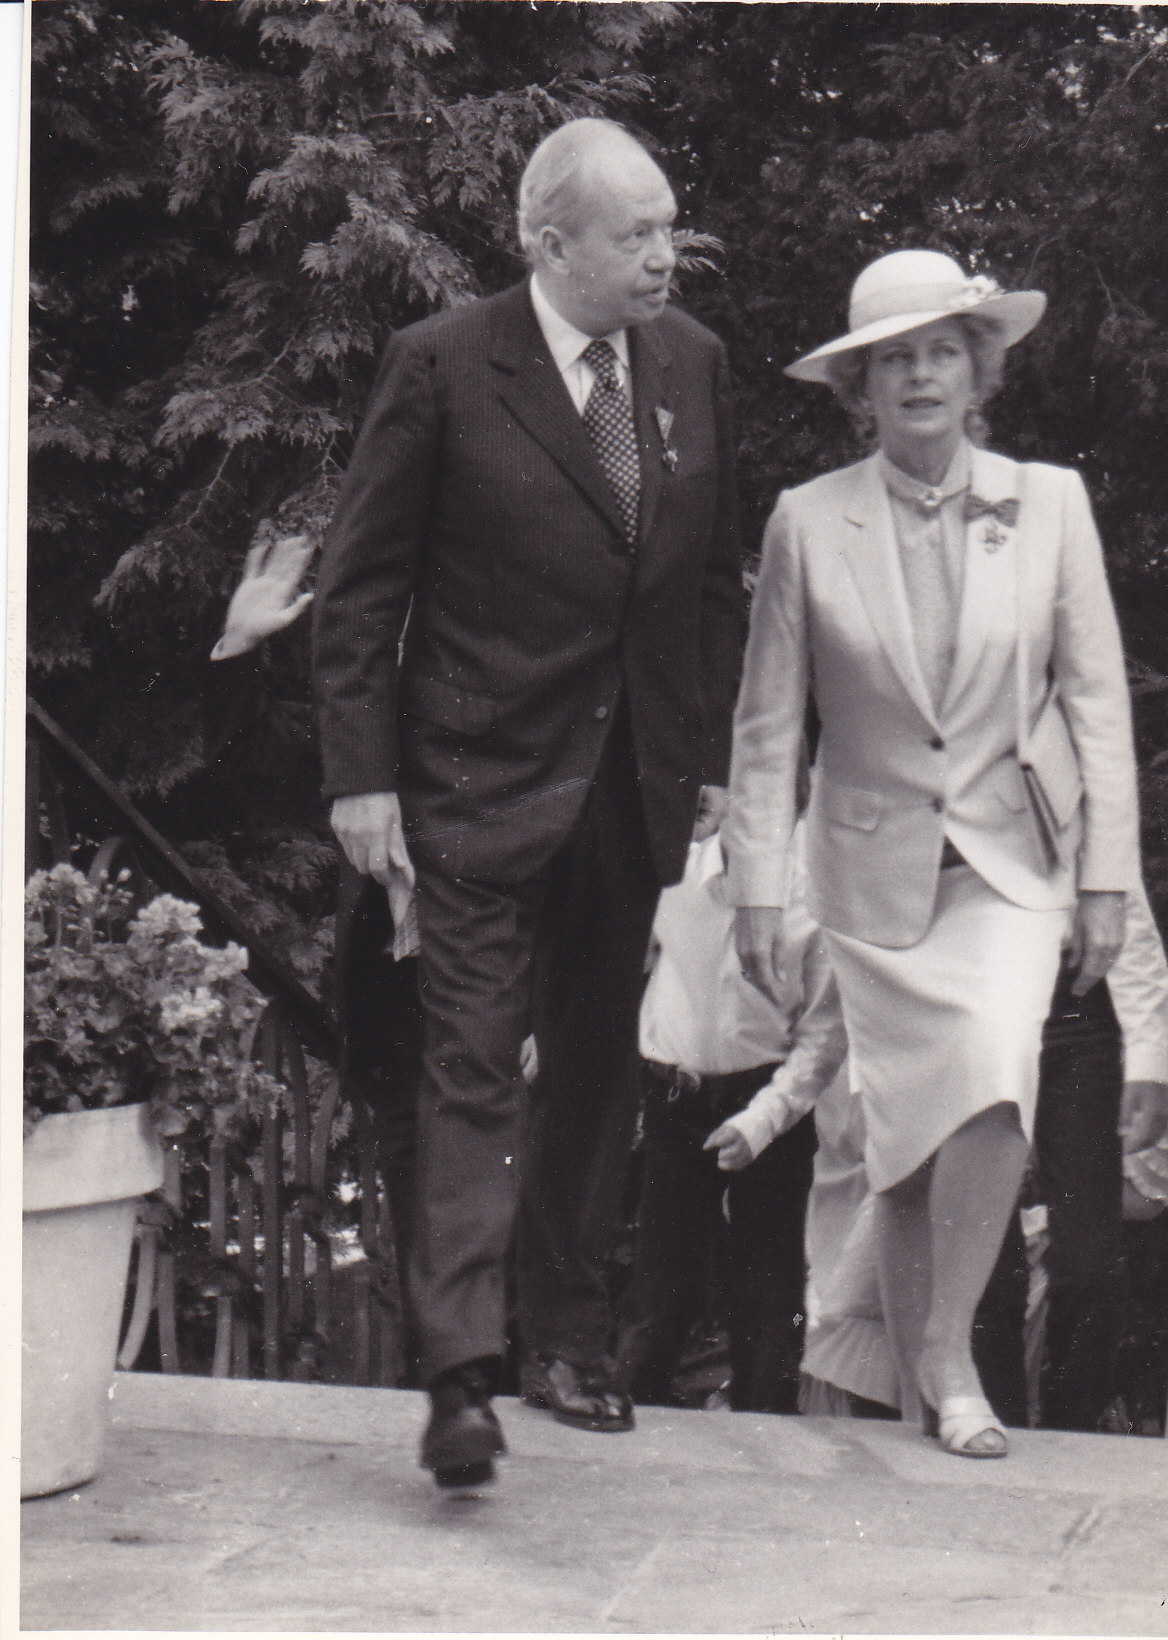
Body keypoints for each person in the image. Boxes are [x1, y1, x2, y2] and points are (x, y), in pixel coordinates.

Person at [312, 118, 742, 1487]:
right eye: (638, 233)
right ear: (550, 244)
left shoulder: (690, 364)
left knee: (598, 1074)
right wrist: (362, 777)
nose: (666, 255)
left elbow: (707, 584)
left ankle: (565, 1340)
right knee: (471, 1066)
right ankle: (460, 1374)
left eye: (669, 227)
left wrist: (709, 755)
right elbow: (360, 588)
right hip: (473, 783)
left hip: (629, 785)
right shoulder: (443, 364)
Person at [723, 248, 1141, 1458]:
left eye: (941, 352)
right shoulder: (808, 521)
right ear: (860, 387)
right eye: (893, 358)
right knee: (902, 1148)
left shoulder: (1047, 502)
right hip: (869, 877)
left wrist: (1105, 880)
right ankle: (921, 1394)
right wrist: (757, 891)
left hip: (1011, 865)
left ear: (978, 370)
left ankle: (950, 1350)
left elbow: (1097, 701)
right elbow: (768, 725)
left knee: (996, 1067)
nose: (919, 375)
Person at [614, 814, 846, 1413]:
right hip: (675, 1098)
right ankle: (633, 1435)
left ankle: (765, 1439)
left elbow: (823, 1037)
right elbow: (625, 955)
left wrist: (761, 1121)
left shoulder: (816, 900)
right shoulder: (675, 877)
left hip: (770, 1104)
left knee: (769, 1296)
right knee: (659, 1290)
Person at [975, 876, 1168, 1431]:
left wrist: (1149, 1057)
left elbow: (1124, 902)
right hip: (973, 995)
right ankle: (997, 1431)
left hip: (1080, 1004)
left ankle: (1072, 1437)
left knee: (1089, 1264)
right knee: (986, 1265)